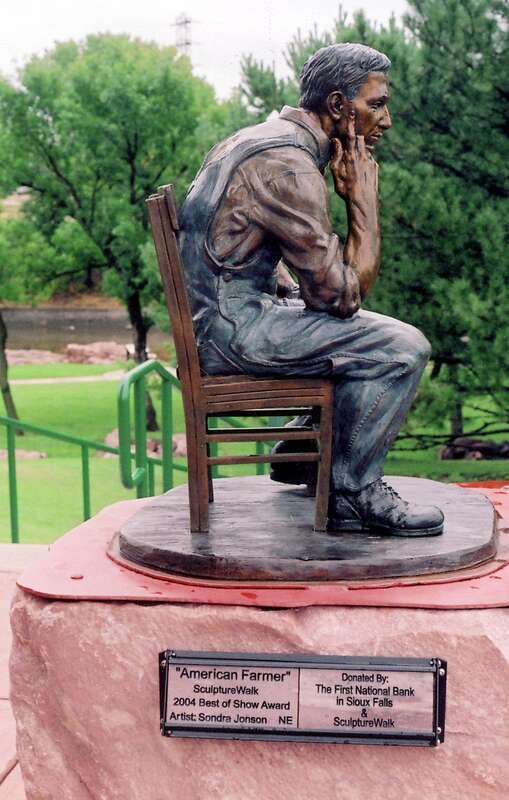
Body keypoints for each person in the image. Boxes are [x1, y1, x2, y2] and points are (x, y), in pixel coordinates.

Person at [179, 42, 444, 536]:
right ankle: (353, 493)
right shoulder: (290, 165)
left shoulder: (262, 140)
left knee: (348, 331)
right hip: (234, 332)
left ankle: (304, 454)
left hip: (222, 319)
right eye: (377, 104)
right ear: (339, 106)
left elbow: (240, 252)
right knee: (401, 347)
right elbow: (341, 297)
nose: (386, 121)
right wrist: (364, 203)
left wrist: (289, 288)